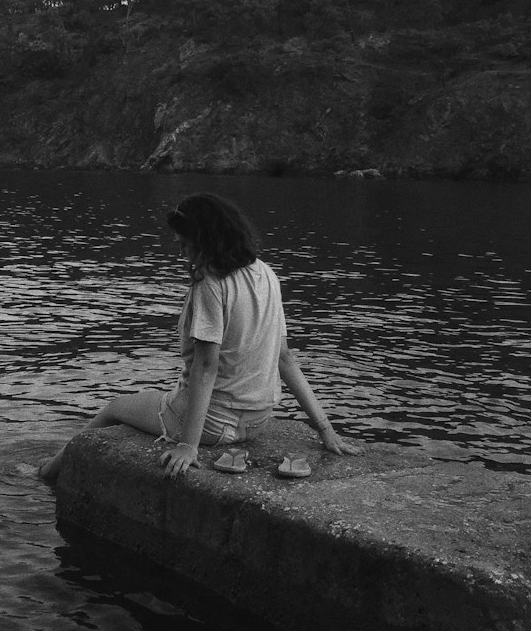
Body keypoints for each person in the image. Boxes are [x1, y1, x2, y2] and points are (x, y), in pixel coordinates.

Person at [39, 193, 355, 483]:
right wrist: (326, 430)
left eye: (184, 244)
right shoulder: (267, 275)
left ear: (203, 241)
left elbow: (206, 366)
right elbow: (285, 359)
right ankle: (53, 468)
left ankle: (50, 471)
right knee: (161, 396)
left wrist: (188, 445)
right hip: (258, 420)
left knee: (114, 407)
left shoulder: (210, 283)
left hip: (213, 426)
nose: (181, 253)